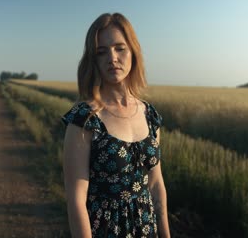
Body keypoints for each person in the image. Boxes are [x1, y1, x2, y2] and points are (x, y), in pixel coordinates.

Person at [62, 13, 170, 238]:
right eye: (102, 52)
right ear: (94, 60)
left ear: (133, 51)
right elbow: (76, 199)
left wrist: (165, 234)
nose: (112, 58)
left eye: (120, 48)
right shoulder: (85, 118)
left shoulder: (150, 115)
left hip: (146, 229)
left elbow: (156, 184)